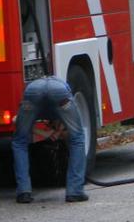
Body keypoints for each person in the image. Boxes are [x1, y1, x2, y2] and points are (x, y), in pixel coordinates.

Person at [12, 75, 88, 203]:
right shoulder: (62, 113)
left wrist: (54, 132)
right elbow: (71, 124)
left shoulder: (45, 114)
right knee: (78, 138)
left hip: (33, 91)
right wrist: (47, 134)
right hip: (59, 92)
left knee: (19, 141)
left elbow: (16, 121)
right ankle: (75, 191)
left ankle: (23, 192)